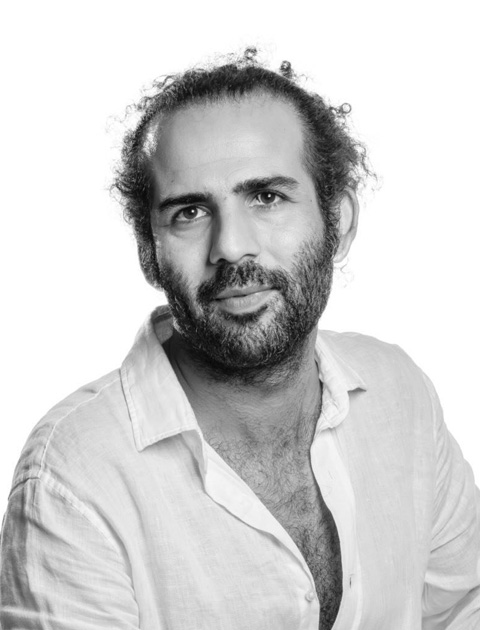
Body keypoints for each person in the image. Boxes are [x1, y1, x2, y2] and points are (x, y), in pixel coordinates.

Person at [1, 49, 479, 630]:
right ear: (149, 252)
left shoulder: (400, 394)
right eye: (190, 211)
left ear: (340, 223)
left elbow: (463, 609)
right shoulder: (73, 478)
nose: (230, 246)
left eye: (267, 197)